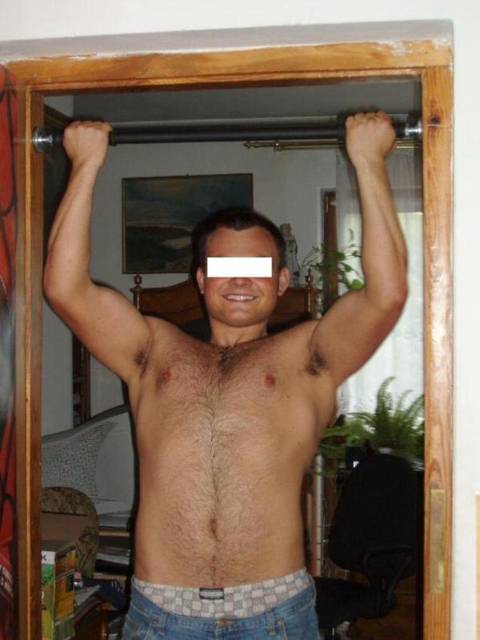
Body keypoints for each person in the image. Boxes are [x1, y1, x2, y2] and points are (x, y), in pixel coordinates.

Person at [43, 111, 407, 640]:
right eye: (222, 267)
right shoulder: (152, 349)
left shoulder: (309, 355)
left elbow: (386, 295)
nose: (239, 280)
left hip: (275, 614)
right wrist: (86, 164)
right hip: (160, 613)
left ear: (281, 280)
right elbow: (64, 288)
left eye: (257, 267)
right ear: (200, 278)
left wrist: (369, 161)